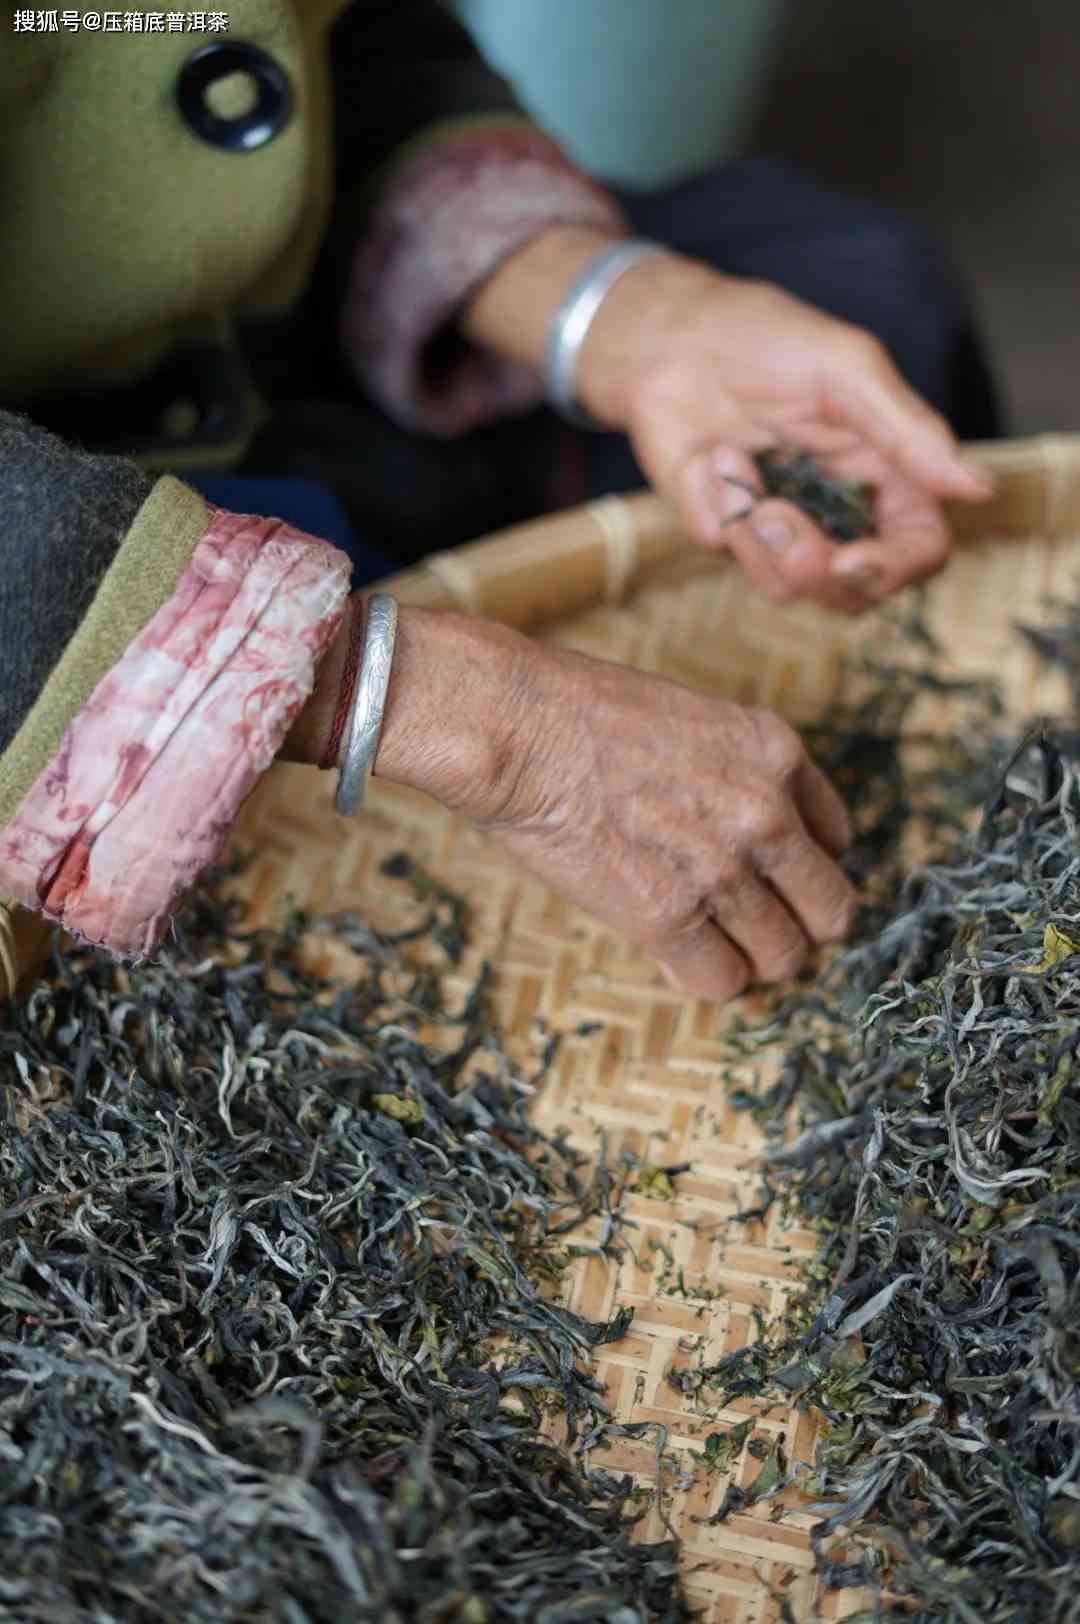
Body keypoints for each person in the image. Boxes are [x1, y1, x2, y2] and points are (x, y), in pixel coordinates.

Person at [0, 0, 998, 1004]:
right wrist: (476, 724)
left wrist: (620, 316)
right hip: (61, 543)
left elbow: (300, 41)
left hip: (275, 338)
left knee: (870, 295)